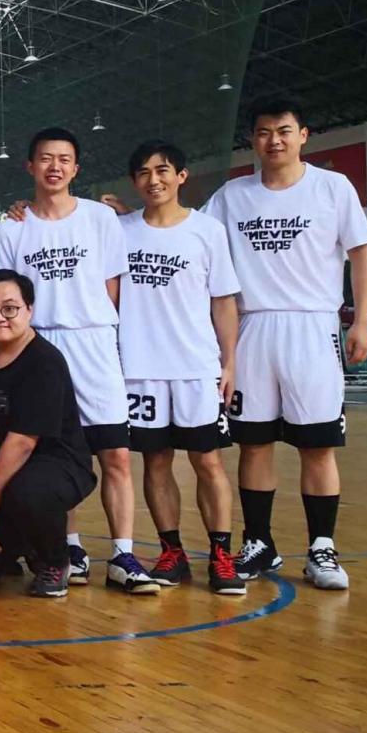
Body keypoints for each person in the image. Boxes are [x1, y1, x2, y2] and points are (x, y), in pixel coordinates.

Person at [203, 99, 367, 589]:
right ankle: (260, 543)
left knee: (317, 445)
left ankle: (322, 548)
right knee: (254, 443)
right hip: (251, 327)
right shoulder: (232, 196)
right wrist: (129, 220)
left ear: (303, 135)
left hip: (312, 327)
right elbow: (188, 233)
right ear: (253, 140)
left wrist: (361, 322)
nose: (273, 140)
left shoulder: (332, 187)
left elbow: (362, 256)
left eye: (283, 130)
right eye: (263, 132)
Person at [0, 127, 153, 594]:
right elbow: (6, 294)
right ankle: (72, 547)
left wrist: (96, 327)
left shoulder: (100, 218)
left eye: (64, 159)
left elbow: (111, 287)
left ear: (76, 168)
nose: (55, 166)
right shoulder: (12, 226)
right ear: (30, 166)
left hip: (93, 344)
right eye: (46, 158)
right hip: (40, 349)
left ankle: (123, 553)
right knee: (54, 457)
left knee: (115, 453)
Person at [118, 141, 246, 595]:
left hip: (196, 367)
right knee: (156, 461)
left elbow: (223, 302)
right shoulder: (119, 230)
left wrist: (229, 362)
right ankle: (171, 551)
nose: (154, 180)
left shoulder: (207, 231)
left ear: (181, 176)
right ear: (134, 181)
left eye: (163, 170)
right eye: (144, 172)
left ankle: (221, 555)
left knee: (208, 461)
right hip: (140, 369)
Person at [0, 272, 99, 598]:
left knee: (27, 493)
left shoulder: (44, 362)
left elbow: (21, 443)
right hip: (2, 465)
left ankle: (55, 560)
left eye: (10, 308)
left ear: (29, 310)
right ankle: (21, 544)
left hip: (54, 465)